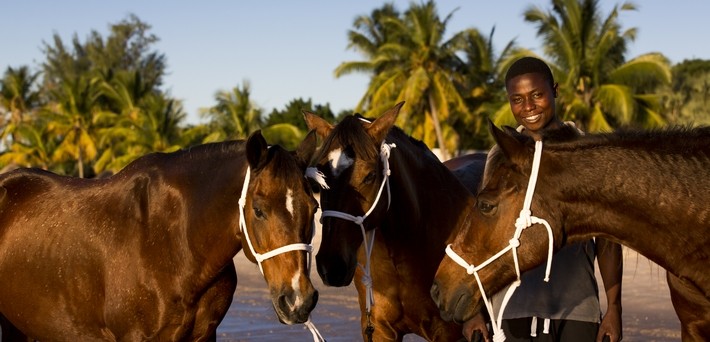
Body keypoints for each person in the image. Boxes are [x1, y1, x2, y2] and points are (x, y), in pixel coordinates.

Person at [462, 56, 623, 342]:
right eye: (517, 99)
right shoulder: (499, 155)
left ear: (555, 90)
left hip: (577, 310)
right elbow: (481, 234)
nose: (528, 107)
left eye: (537, 95)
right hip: (510, 309)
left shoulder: (588, 152)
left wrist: (614, 309)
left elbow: (608, 242)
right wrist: (474, 310)